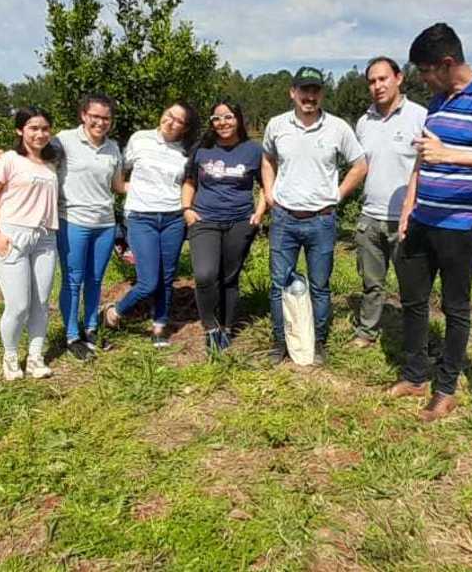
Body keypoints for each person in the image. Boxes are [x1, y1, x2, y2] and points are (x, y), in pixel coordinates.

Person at [390, 23, 472, 421]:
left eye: (427, 71)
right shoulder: (438, 101)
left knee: (455, 306)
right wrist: (409, 205)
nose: (423, 80)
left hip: (460, 226)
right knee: (412, 299)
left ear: (447, 63)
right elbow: (424, 158)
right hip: (423, 219)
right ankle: (415, 375)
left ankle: (445, 388)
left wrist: (452, 154)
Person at [0, 95, 125, 361]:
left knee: (95, 279)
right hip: (72, 221)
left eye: (106, 118)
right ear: (83, 115)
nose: (100, 122)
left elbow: (118, 186)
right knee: (73, 280)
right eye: (94, 116)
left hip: (105, 223)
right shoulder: (63, 141)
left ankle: (91, 328)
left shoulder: (113, 148)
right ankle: (72, 335)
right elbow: (30, 150)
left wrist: (157, 187)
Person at [261, 67, 368, 365]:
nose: (309, 96)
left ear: (322, 93)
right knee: (278, 284)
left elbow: (360, 165)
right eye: (303, 90)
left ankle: (317, 342)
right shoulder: (276, 125)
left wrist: (338, 194)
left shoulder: (338, 128)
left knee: (320, 286)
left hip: (321, 220)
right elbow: (267, 158)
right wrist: (269, 193)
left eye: (315, 90)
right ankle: (280, 342)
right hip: (284, 218)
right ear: (292, 92)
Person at [104, 102, 199, 347]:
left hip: (173, 219)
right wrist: (124, 188)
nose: (170, 122)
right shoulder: (140, 139)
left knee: (167, 277)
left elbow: (190, 182)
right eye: (168, 115)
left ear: (185, 127)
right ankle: (115, 311)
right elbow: (120, 169)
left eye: (178, 120)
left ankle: (160, 325)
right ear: (162, 114)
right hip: (141, 216)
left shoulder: (186, 151)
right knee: (148, 281)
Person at [0, 107, 59, 380]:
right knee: (19, 305)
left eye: (45, 128)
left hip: (45, 237)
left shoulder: (51, 162)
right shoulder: (7, 160)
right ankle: (10, 356)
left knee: (41, 302)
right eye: (33, 128)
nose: (39, 133)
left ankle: (35, 357)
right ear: (20, 130)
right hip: (13, 235)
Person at [350, 57, 428, 349]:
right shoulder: (363, 122)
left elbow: (429, 165)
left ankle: (416, 341)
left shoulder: (420, 116)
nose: (377, 86)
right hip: (370, 217)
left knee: (413, 287)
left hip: (408, 218)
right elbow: (361, 166)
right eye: (372, 81)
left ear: (398, 78)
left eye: (383, 79)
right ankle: (366, 332)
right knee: (371, 283)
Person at [181, 101, 266, 353]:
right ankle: (210, 327)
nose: (223, 123)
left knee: (229, 278)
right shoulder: (202, 148)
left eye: (228, 117)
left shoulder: (253, 150)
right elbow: (189, 181)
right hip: (204, 220)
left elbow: (265, 184)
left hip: (240, 221)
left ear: (238, 119)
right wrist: (187, 210)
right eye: (216, 118)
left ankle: (227, 327)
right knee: (205, 274)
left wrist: (259, 213)